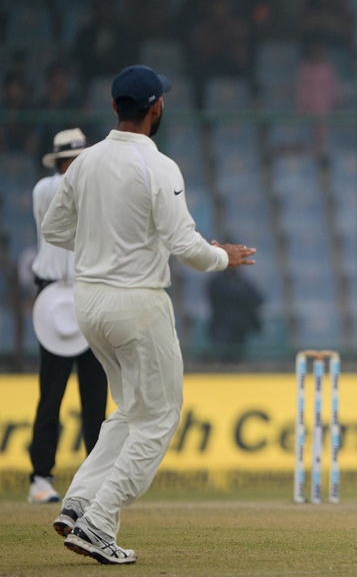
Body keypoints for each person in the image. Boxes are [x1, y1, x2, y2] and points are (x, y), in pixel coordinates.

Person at [41, 65, 256, 564]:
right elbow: (187, 246)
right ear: (156, 108)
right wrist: (224, 256)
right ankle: (98, 523)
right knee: (159, 417)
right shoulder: (158, 166)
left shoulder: (84, 163)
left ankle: (77, 504)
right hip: (136, 303)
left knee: (132, 411)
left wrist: (101, 245)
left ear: (116, 107)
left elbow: (54, 230)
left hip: (88, 303)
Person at [28, 128, 109, 505]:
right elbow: (67, 190)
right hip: (54, 299)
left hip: (88, 292)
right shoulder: (46, 187)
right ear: (60, 163)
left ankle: (94, 480)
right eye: (71, 161)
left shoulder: (93, 191)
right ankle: (40, 477)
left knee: (95, 396)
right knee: (52, 395)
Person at [207, 268, 264, 361]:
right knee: (222, 356)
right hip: (222, 327)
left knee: (238, 357)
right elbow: (226, 296)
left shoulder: (243, 282)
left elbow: (258, 299)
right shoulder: (217, 282)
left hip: (240, 328)